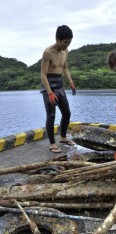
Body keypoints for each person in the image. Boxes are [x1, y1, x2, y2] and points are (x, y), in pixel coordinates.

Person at [41, 25, 76, 153]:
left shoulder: (66, 51)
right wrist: (49, 93)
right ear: (58, 39)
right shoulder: (48, 52)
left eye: (69, 42)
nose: (67, 45)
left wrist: (71, 82)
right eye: (65, 42)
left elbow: (65, 68)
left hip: (60, 85)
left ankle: (63, 137)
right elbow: (43, 74)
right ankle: (52, 143)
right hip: (48, 85)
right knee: (51, 115)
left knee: (67, 113)